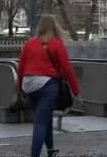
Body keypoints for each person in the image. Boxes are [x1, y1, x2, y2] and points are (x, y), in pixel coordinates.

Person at [17, 15, 81, 157]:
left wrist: (20, 88)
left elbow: (20, 67)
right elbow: (67, 69)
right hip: (47, 85)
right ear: (54, 26)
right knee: (40, 122)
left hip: (29, 85)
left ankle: (51, 149)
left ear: (40, 27)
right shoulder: (57, 44)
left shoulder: (29, 44)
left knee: (44, 116)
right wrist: (76, 90)